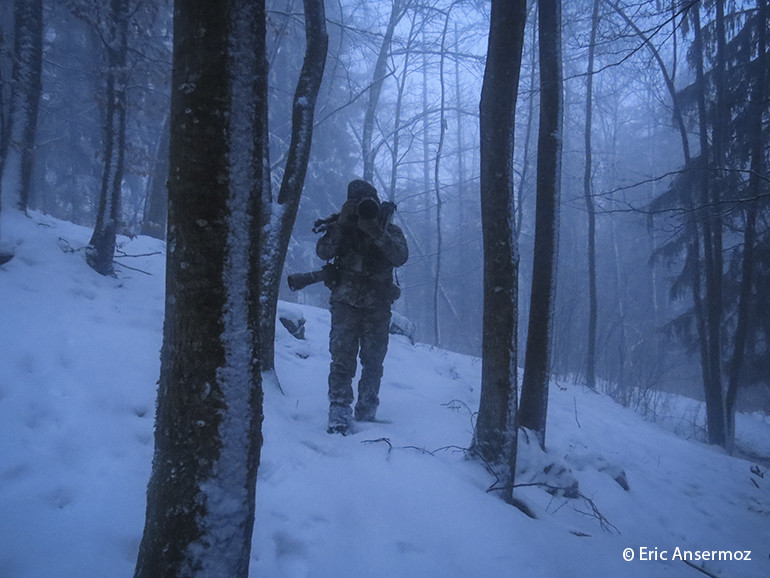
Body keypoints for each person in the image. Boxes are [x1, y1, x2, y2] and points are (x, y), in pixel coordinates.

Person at [316, 179, 409, 435]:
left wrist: (376, 231)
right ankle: (338, 409)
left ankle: (367, 409)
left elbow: (400, 256)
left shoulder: (389, 230)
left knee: (373, 359)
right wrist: (342, 226)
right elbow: (323, 252)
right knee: (342, 358)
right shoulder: (342, 226)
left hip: (377, 305)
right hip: (345, 302)